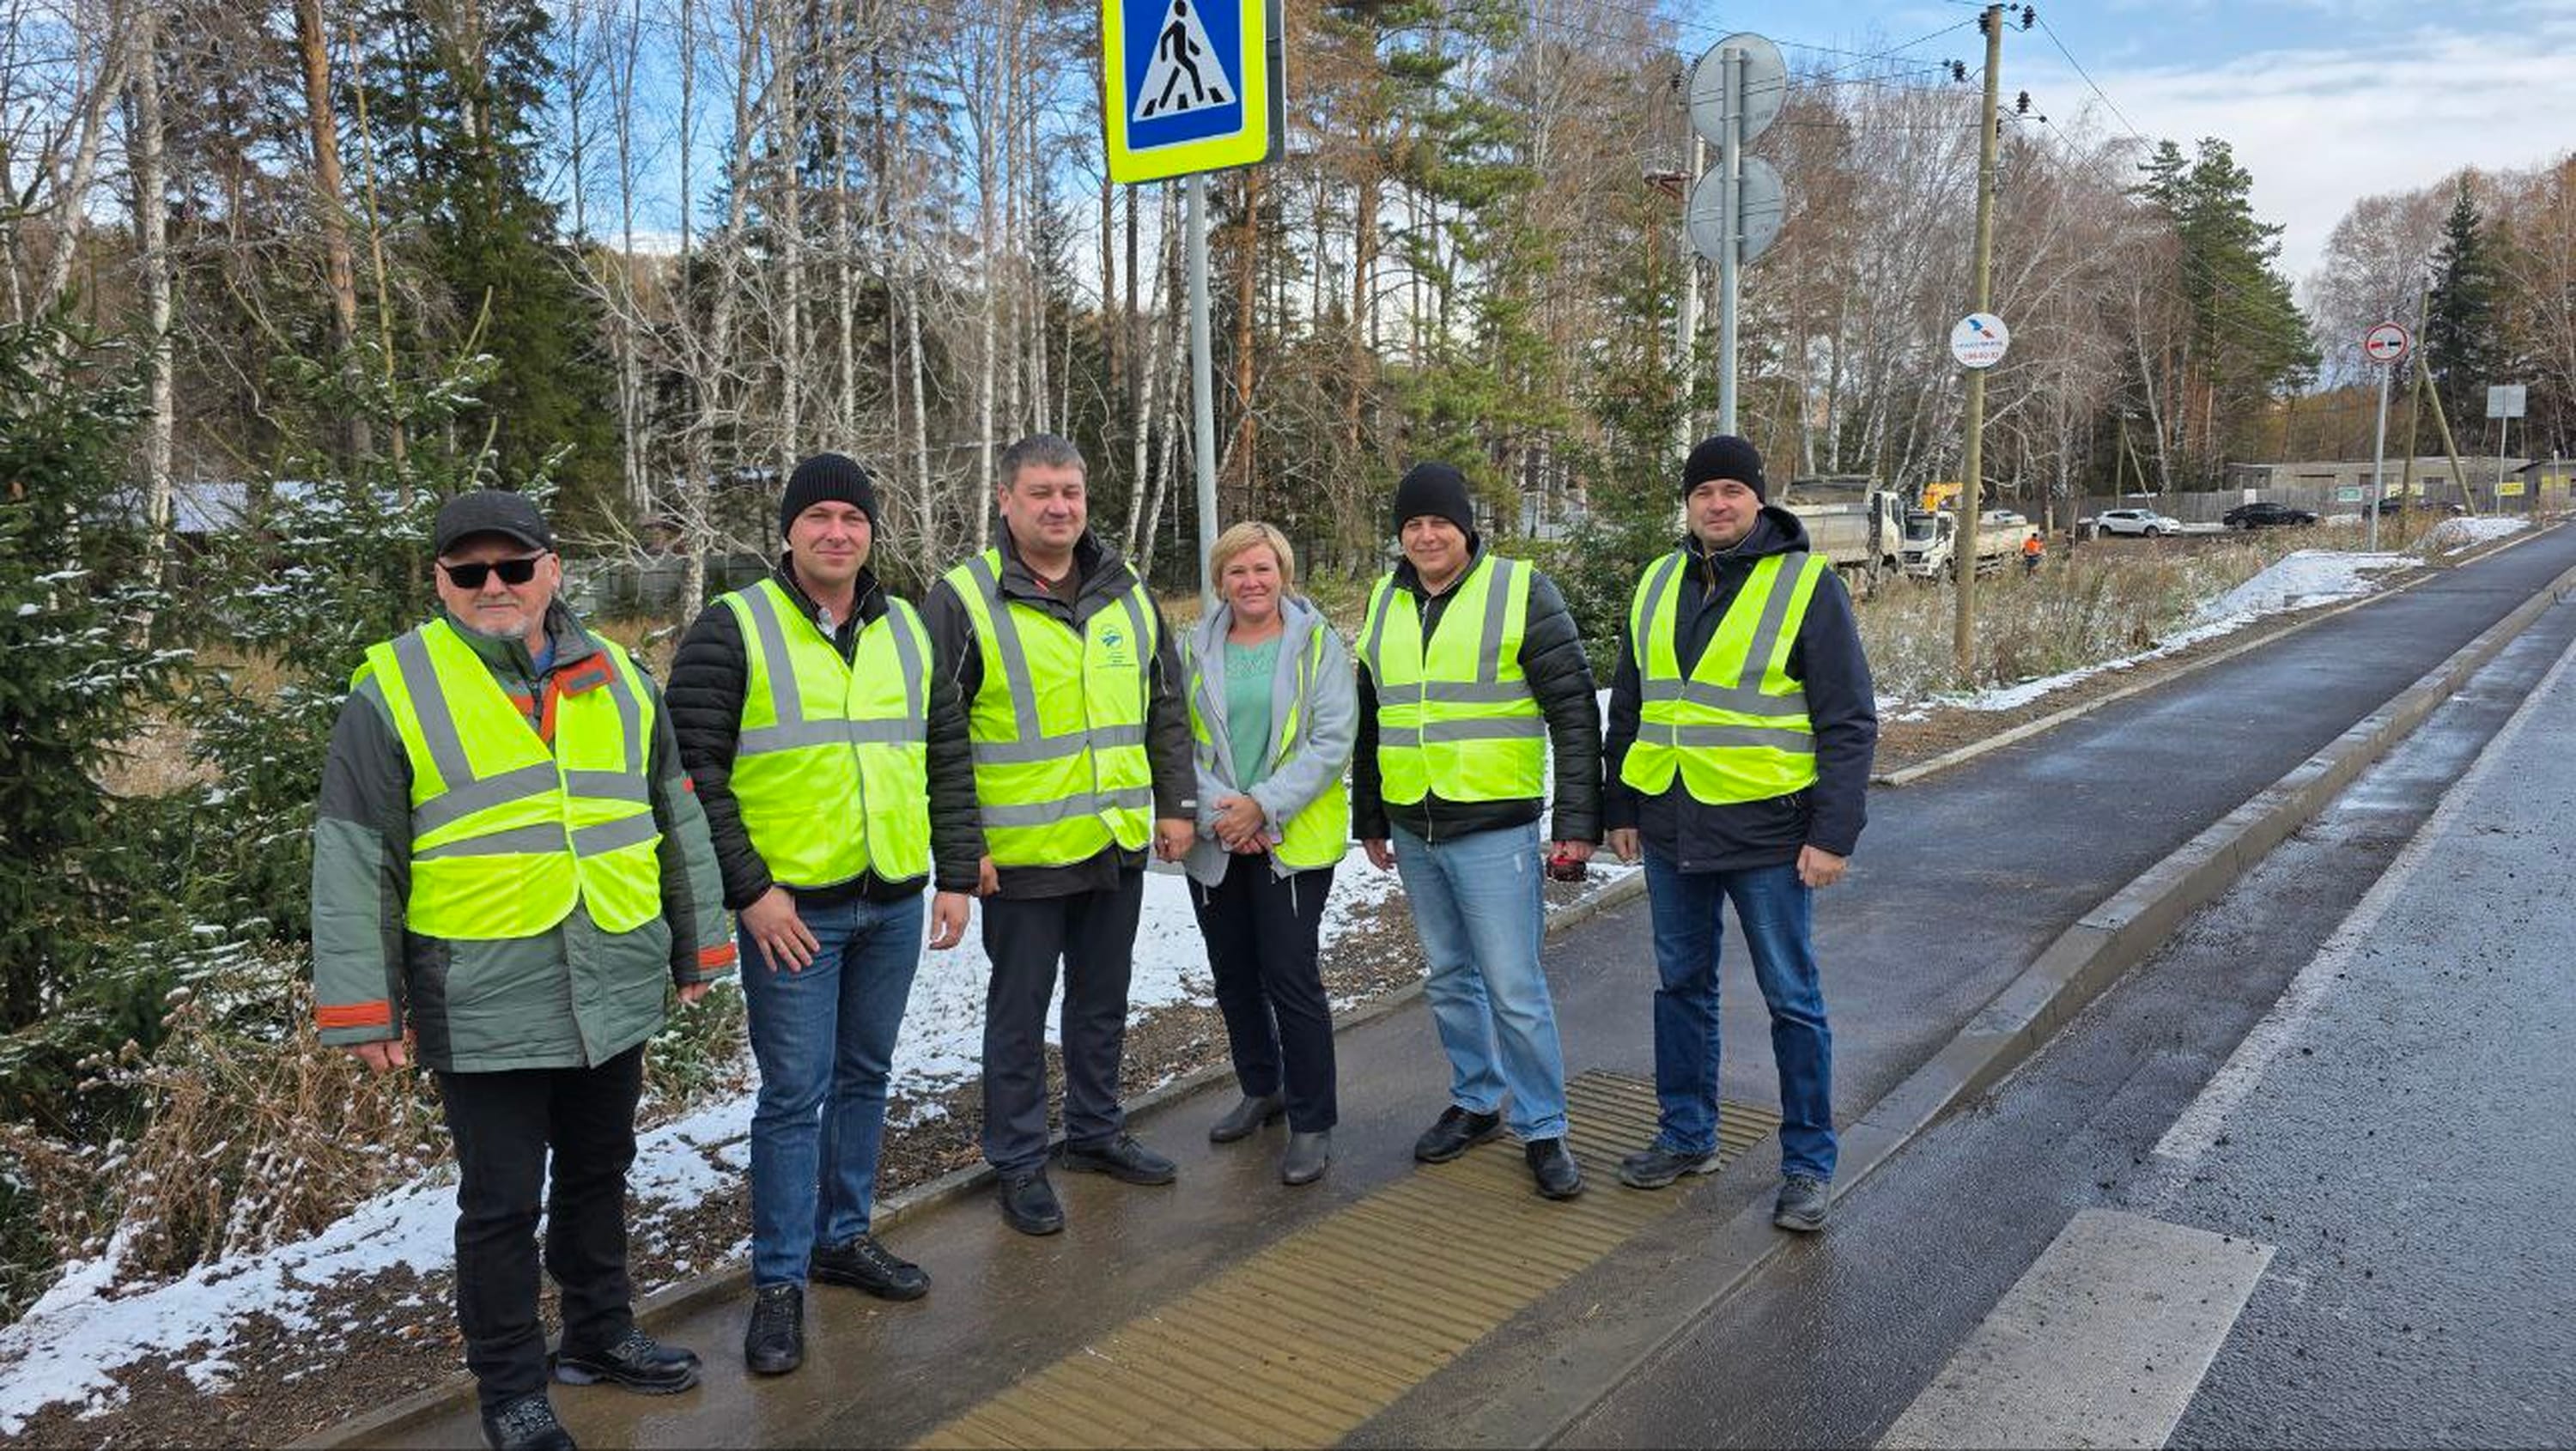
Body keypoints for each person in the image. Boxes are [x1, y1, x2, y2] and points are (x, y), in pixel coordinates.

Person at [312, 490, 733, 1451]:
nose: (493, 585)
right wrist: (365, 1002)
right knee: (501, 1204)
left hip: (613, 976)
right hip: (482, 994)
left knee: (600, 1171)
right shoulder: (394, 687)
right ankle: (511, 1389)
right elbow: (355, 853)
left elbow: (673, 814)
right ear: (441, 582)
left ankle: (599, 1333)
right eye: (470, 571)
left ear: (553, 569)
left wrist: (698, 943)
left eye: (513, 566)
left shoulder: (621, 677)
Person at [666, 454, 982, 1377]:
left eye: (853, 517)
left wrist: (955, 874)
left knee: (865, 1076)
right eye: (819, 517)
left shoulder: (908, 629)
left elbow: (945, 755)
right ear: (789, 531)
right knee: (793, 1095)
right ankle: (779, 1281)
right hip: (793, 914)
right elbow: (692, 773)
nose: (837, 532)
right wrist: (751, 892)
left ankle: (843, 1238)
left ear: (872, 532)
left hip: (892, 900)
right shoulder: (733, 628)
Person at [922, 434, 1197, 1235]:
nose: (1059, 507)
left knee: (1102, 1000)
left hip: (1113, 841)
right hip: (1020, 858)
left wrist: (1175, 803)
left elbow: (1164, 704)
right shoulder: (964, 600)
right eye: (1040, 492)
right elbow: (939, 736)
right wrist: (963, 848)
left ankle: (1095, 1132)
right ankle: (1017, 1161)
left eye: (1070, 492)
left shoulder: (1125, 589)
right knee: (1019, 1016)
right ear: (1005, 500)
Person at [1602, 435, 1877, 1234]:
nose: (1717, 504)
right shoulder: (1658, 580)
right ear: (1687, 504)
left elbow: (1848, 720)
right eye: (1703, 492)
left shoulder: (1806, 585)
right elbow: (1632, 704)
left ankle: (1807, 1165)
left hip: (1769, 834)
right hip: (1670, 825)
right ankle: (1687, 1135)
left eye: (1731, 490)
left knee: (1792, 1000)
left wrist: (1834, 836)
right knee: (1681, 987)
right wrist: (1621, 807)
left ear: (1759, 498)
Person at [1352, 461, 1602, 1200]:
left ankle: (1544, 1125)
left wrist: (1577, 822)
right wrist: (1371, 816)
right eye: (1413, 524)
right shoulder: (1385, 600)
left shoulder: (1521, 590)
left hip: (1495, 827)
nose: (1427, 536)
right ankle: (1475, 1100)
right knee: (1448, 977)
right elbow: (1374, 717)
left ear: (1467, 528)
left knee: (1513, 984)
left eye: (1440, 522)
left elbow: (1574, 711)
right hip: (1415, 824)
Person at [1182, 522, 1357, 1187]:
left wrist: (1262, 806)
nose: (1251, 582)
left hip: (1292, 838)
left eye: (1263, 569)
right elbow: (1174, 743)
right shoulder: (1194, 647)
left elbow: (1331, 739)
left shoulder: (1318, 644)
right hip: (1220, 837)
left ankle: (1313, 1119)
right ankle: (1263, 1087)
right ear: (1219, 580)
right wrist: (1226, 815)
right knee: (1233, 974)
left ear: (1283, 573)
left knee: (1290, 976)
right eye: (1237, 571)